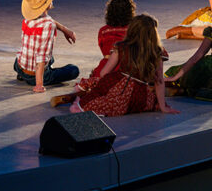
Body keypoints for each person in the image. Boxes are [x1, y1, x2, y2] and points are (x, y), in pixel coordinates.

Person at [51, 14, 179, 116]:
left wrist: (111, 83)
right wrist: (163, 107)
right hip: (139, 94)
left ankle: (80, 97)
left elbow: (104, 73)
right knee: (147, 100)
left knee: (96, 89)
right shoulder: (157, 51)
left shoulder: (121, 47)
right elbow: (159, 81)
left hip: (119, 84)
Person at [15, 0, 79, 93]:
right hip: (34, 76)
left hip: (19, 66)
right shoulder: (49, 25)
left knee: (47, 56)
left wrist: (64, 29)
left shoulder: (27, 18)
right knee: (73, 70)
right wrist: (39, 84)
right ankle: (35, 79)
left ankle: (23, 75)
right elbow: (41, 57)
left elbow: (47, 19)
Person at [91, 0, 136, 78]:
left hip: (106, 66)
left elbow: (104, 52)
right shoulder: (133, 29)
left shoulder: (103, 31)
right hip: (127, 69)